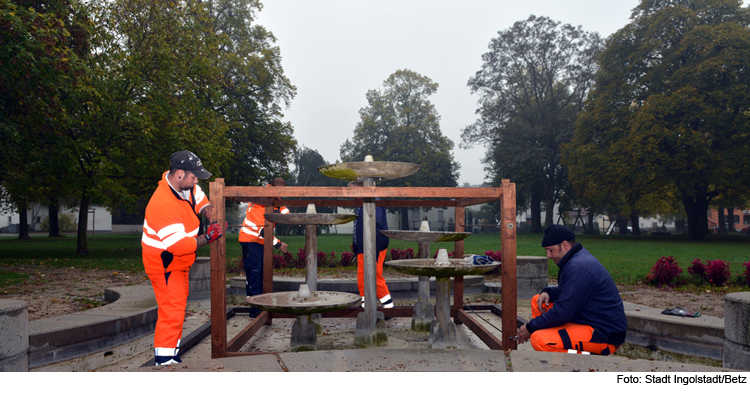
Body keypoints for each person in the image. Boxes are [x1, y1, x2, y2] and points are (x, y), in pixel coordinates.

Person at [142, 150, 223, 366]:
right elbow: (179, 246)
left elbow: (200, 200)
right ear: (179, 174)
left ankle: (171, 353)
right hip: (166, 264)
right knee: (172, 310)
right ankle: (165, 361)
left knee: (177, 308)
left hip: (179, 263)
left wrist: (211, 213)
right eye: (193, 176)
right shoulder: (162, 204)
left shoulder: (185, 187)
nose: (197, 181)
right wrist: (208, 237)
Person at [517, 224, 627, 355]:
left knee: (539, 339)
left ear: (565, 245)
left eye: (551, 250)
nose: (548, 255)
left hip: (604, 335)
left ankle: (578, 361)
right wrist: (548, 292)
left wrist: (530, 327)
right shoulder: (576, 258)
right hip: (589, 319)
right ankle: (557, 338)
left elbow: (562, 312)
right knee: (538, 301)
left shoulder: (578, 267)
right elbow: (569, 292)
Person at [239, 178, 289, 313]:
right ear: (271, 187)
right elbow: (263, 231)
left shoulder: (272, 199)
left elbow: (283, 210)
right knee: (254, 275)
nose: (280, 196)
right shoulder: (260, 200)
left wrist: (290, 215)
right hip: (250, 241)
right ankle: (255, 309)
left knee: (260, 274)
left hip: (259, 242)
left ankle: (260, 306)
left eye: (282, 194)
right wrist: (278, 244)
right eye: (279, 193)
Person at [348, 180, 394, 309]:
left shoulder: (373, 202)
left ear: (361, 188)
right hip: (364, 247)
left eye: (352, 191)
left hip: (374, 247)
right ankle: (366, 303)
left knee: (374, 275)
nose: (350, 195)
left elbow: (377, 224)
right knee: (362, 276)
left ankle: (388, 305)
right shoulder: (363, 203)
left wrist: (374, 248)